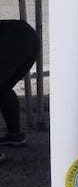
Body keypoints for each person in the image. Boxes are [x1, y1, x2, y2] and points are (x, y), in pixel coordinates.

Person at [0, 20, 39, 150]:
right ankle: (14, 134)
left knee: (3, 88)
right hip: (27, 37)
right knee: (3, 88)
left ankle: (14, 134)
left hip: (14, 39)